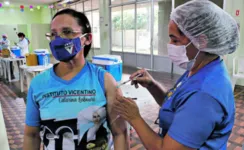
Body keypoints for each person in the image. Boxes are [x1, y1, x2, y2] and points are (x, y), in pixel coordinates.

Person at [114, 0, 239, 150]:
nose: (170, 45)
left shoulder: (204, 96)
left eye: (175, 40)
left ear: (202, 42)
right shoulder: (200, 68)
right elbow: (177, 105)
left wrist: (135, 117)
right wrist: (152, 85)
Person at [23, 9, 129, 150]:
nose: (58, 39)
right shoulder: (38, 83)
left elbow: (120, 133)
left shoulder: (105, 81)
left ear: (87, 38)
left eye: (66, 32)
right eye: (54, 34)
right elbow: (31, 135)